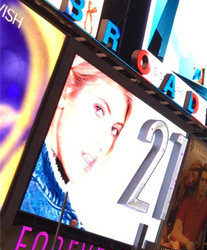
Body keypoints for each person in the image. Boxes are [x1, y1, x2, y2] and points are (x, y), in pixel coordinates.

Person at [21, 57, 134, 228]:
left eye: (114, 130)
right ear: (66, 90)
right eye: (99, 109)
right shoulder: (28, 191)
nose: (103, 141)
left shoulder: (50, 199)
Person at [167, 163, 207, 250]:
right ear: (199, 182)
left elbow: (202, 237)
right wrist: (187, 243)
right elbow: (175, 231)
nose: (203, 184)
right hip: (178, 249)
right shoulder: (187, 201)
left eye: (206, 181)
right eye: (202, 180)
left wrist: (195, 247)